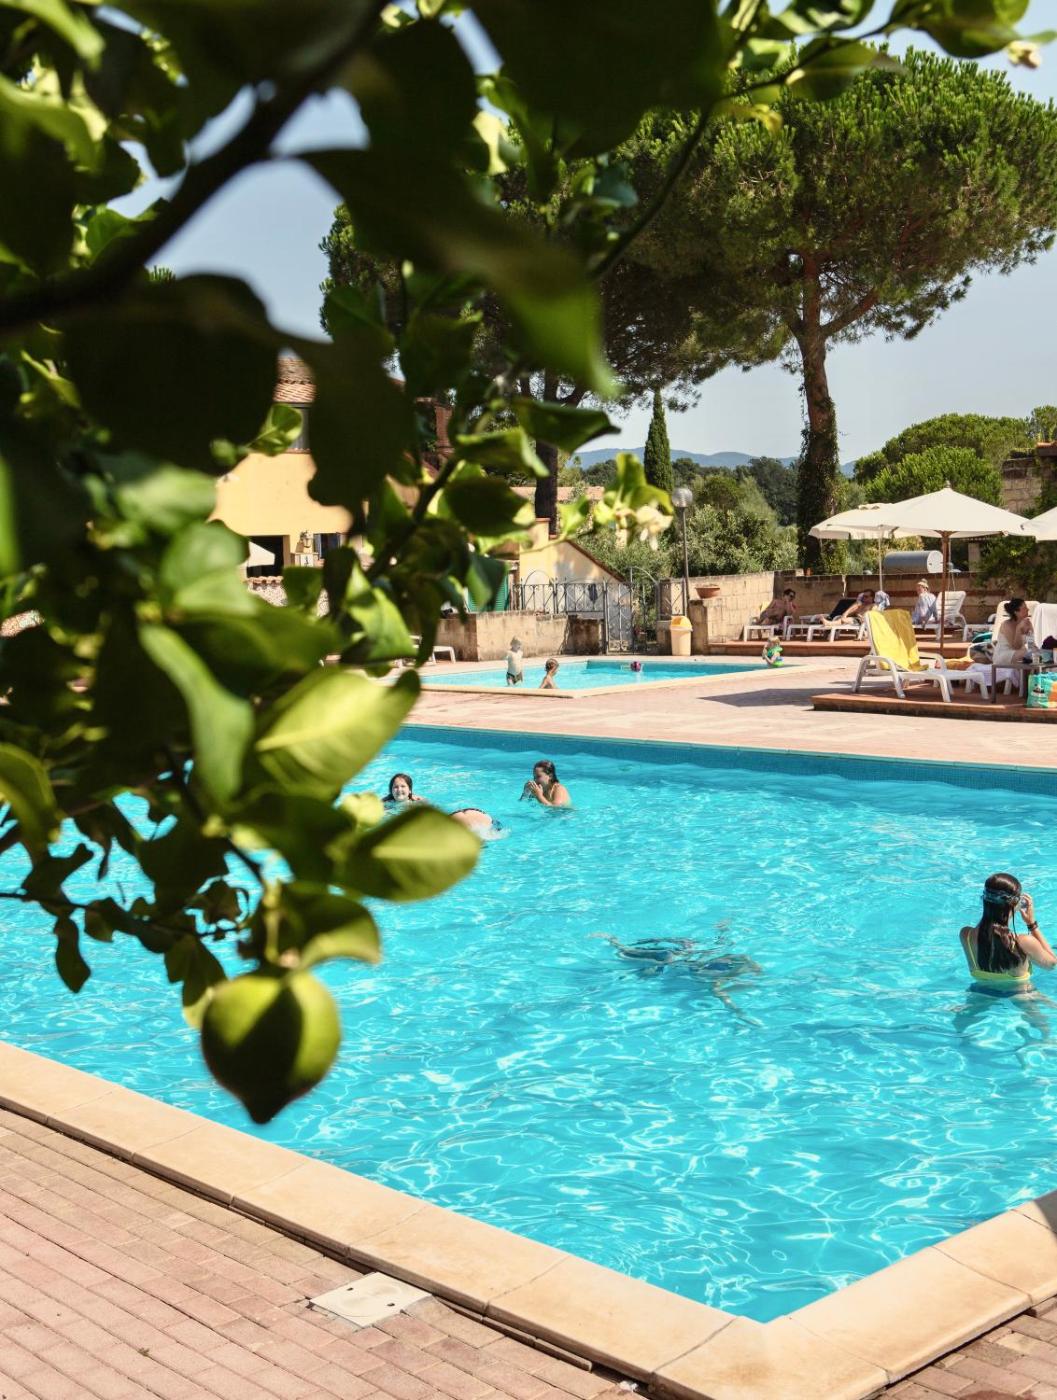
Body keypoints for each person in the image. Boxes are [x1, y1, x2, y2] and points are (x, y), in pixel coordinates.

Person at [959, 872, 1056, 998]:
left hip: (981, 992)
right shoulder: (1024, 942)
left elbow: (990, 935)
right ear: (1015, 904)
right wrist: (1032, 924)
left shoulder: (966, 935)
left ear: (984, 899)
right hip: (1023, 994)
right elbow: (1051, 964)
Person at [993, 598, 1034, 668]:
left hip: (1019, 653)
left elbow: (1031, 643)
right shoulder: (1006, 625)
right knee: (1026, 653)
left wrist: (1034, 649)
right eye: (1024, 608)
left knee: (1037, 652)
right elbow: (1015, 647)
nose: (1028, 609)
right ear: (1016, 612)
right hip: (1004, 654)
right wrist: (1018, 629)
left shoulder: (1027, 623)